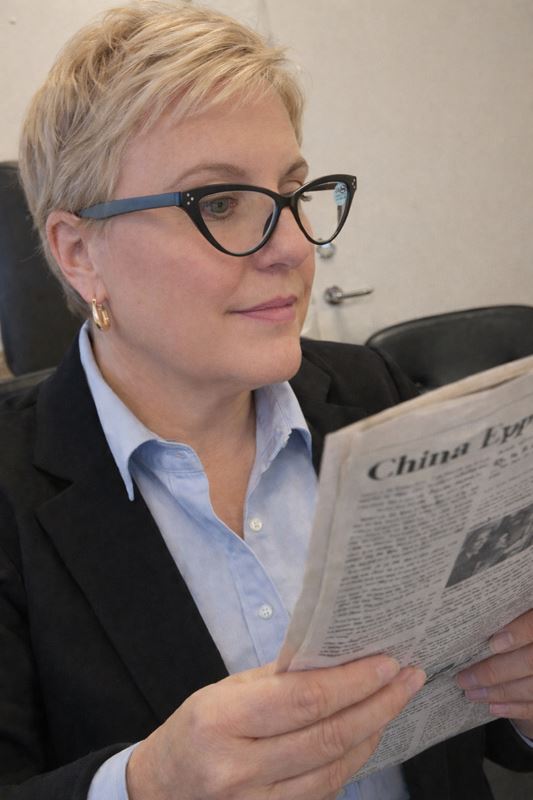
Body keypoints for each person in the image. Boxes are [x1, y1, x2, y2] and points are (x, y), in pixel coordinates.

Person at [1, 3, 532, 799]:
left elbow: (476, 721)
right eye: (217, 203)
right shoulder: (12, 485)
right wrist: (144, 785)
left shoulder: (373, 397)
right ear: (79, 253)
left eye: (290, 193)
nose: (291, 246)